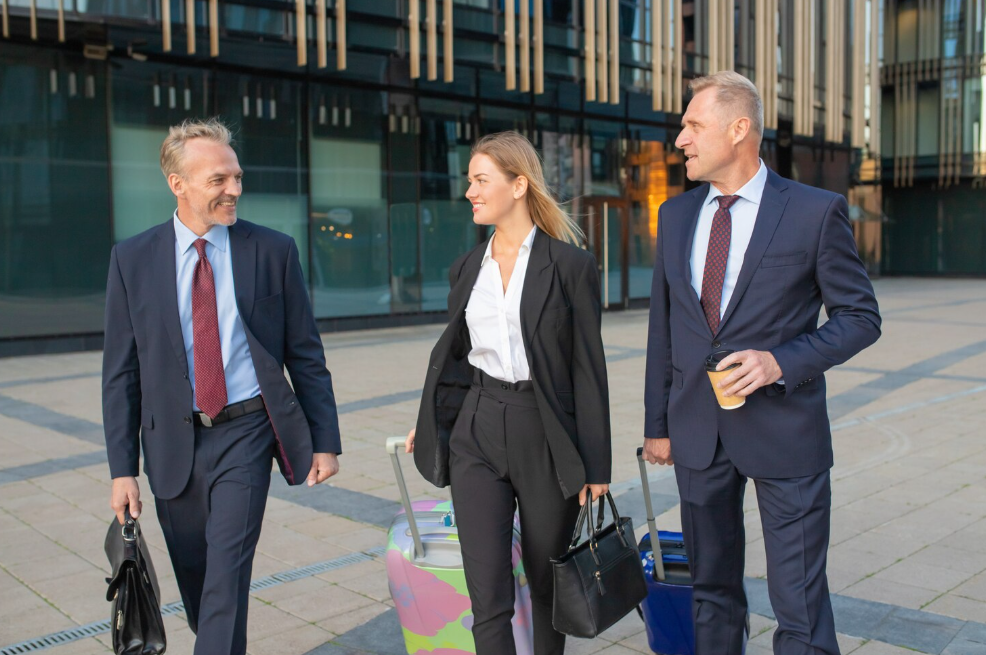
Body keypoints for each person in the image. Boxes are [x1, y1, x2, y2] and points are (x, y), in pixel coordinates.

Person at [642, 71, 881, 655]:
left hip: (786, 431)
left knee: (798, 602)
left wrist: (780, 362)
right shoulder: (675, 217)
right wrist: (657, 425)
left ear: (739, 128)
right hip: (698, 432)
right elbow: (663, 329)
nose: (681, 140)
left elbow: (860, 318)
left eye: (694, 126)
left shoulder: (815, 211)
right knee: (712, 593)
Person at [102, 118, 342, 655]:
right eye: (218, 180)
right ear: (177, 184)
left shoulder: (271, 251)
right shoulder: (132, 260)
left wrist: (324, 438)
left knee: (227, 571)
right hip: (171, 443)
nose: (234, 189)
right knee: (201, 584)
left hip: (247, 431)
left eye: (236, 176)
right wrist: (122, 469)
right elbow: (120, 373)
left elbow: (304, 352)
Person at [404, 131, 612, 655]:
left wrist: (597, 468)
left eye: (481, 180)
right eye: (469, 180)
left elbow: (589, 371)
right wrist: (433, 422)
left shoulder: (570, 267)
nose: (469, 191)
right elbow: (456, 360)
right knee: (487, 594)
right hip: (476, 428)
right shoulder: (466, 268)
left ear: (519, 185)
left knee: (546, 588)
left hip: (542, 431)